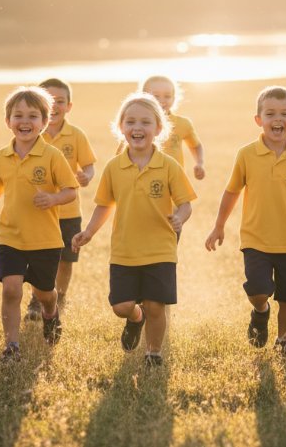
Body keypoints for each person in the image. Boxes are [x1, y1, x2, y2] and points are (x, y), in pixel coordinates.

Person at [205, 86, 286, 357]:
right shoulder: (247, 154)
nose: (278, 119)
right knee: (258, 289)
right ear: (258, 120)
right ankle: (260, 311)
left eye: (284, 114)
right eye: (270, 114)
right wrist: (219, 226)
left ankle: (283, 342)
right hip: (256, 239)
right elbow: (232, 191)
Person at [72, 93, 196, 367]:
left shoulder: (168, 166)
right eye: (130, 122)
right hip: (124, 250)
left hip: (160, 248)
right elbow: (104, 205)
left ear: (158, 129)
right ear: (121, 127)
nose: (137, 128)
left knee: (156, 306)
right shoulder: (114, 167)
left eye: (145, 122)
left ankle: (153, 353)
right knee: (121, 306)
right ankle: (134, 318)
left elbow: (186, 204)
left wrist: (179, 217)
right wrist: (88, 232)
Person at [0, 87, 78, 362]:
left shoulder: (52, 156)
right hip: (10, 237)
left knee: (45, 293)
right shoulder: (2, 157)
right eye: (18, 115)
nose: (25, 121)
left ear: (44, 122)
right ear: (8, 121)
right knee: (11, 288)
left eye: (33, 116)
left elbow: (71, 190)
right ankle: (12, 346)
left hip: (45, 240)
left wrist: (53, 198)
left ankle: (51, 312)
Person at [24, 78, 97, 320]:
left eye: (60, 101)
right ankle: (37, 300)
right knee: (40, 259)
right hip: (40, 211)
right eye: (49, 100)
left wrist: (86, 176)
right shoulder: (31, 133)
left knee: (66, 259)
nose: (54, 105)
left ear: (69, 106)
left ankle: (60, 297)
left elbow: (88, 166)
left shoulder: (76, 135)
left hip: (68, 210)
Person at [140, 75, 206, 180]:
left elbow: (196, 146)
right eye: (156, 96)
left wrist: (199, 163)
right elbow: (122, 155)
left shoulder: (183, 123)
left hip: (175, 180)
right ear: (143, 97)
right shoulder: (136, 124)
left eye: (167, 96)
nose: (162, 101)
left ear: (174, 98)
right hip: (146, 180)